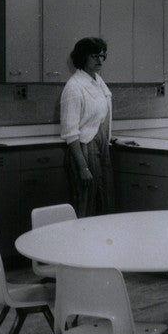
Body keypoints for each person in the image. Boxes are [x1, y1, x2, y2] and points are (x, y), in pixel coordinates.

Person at [60, 37, 114, 217]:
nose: (100, 60)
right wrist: (83, 167)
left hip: (100, 145)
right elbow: (70, 133)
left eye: (102, 56)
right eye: (94, 56)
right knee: (85, 201)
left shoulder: (98, 81)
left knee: (102, 200)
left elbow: (99, 116)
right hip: (84, 148)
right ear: (83, 57)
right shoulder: (74, 87)